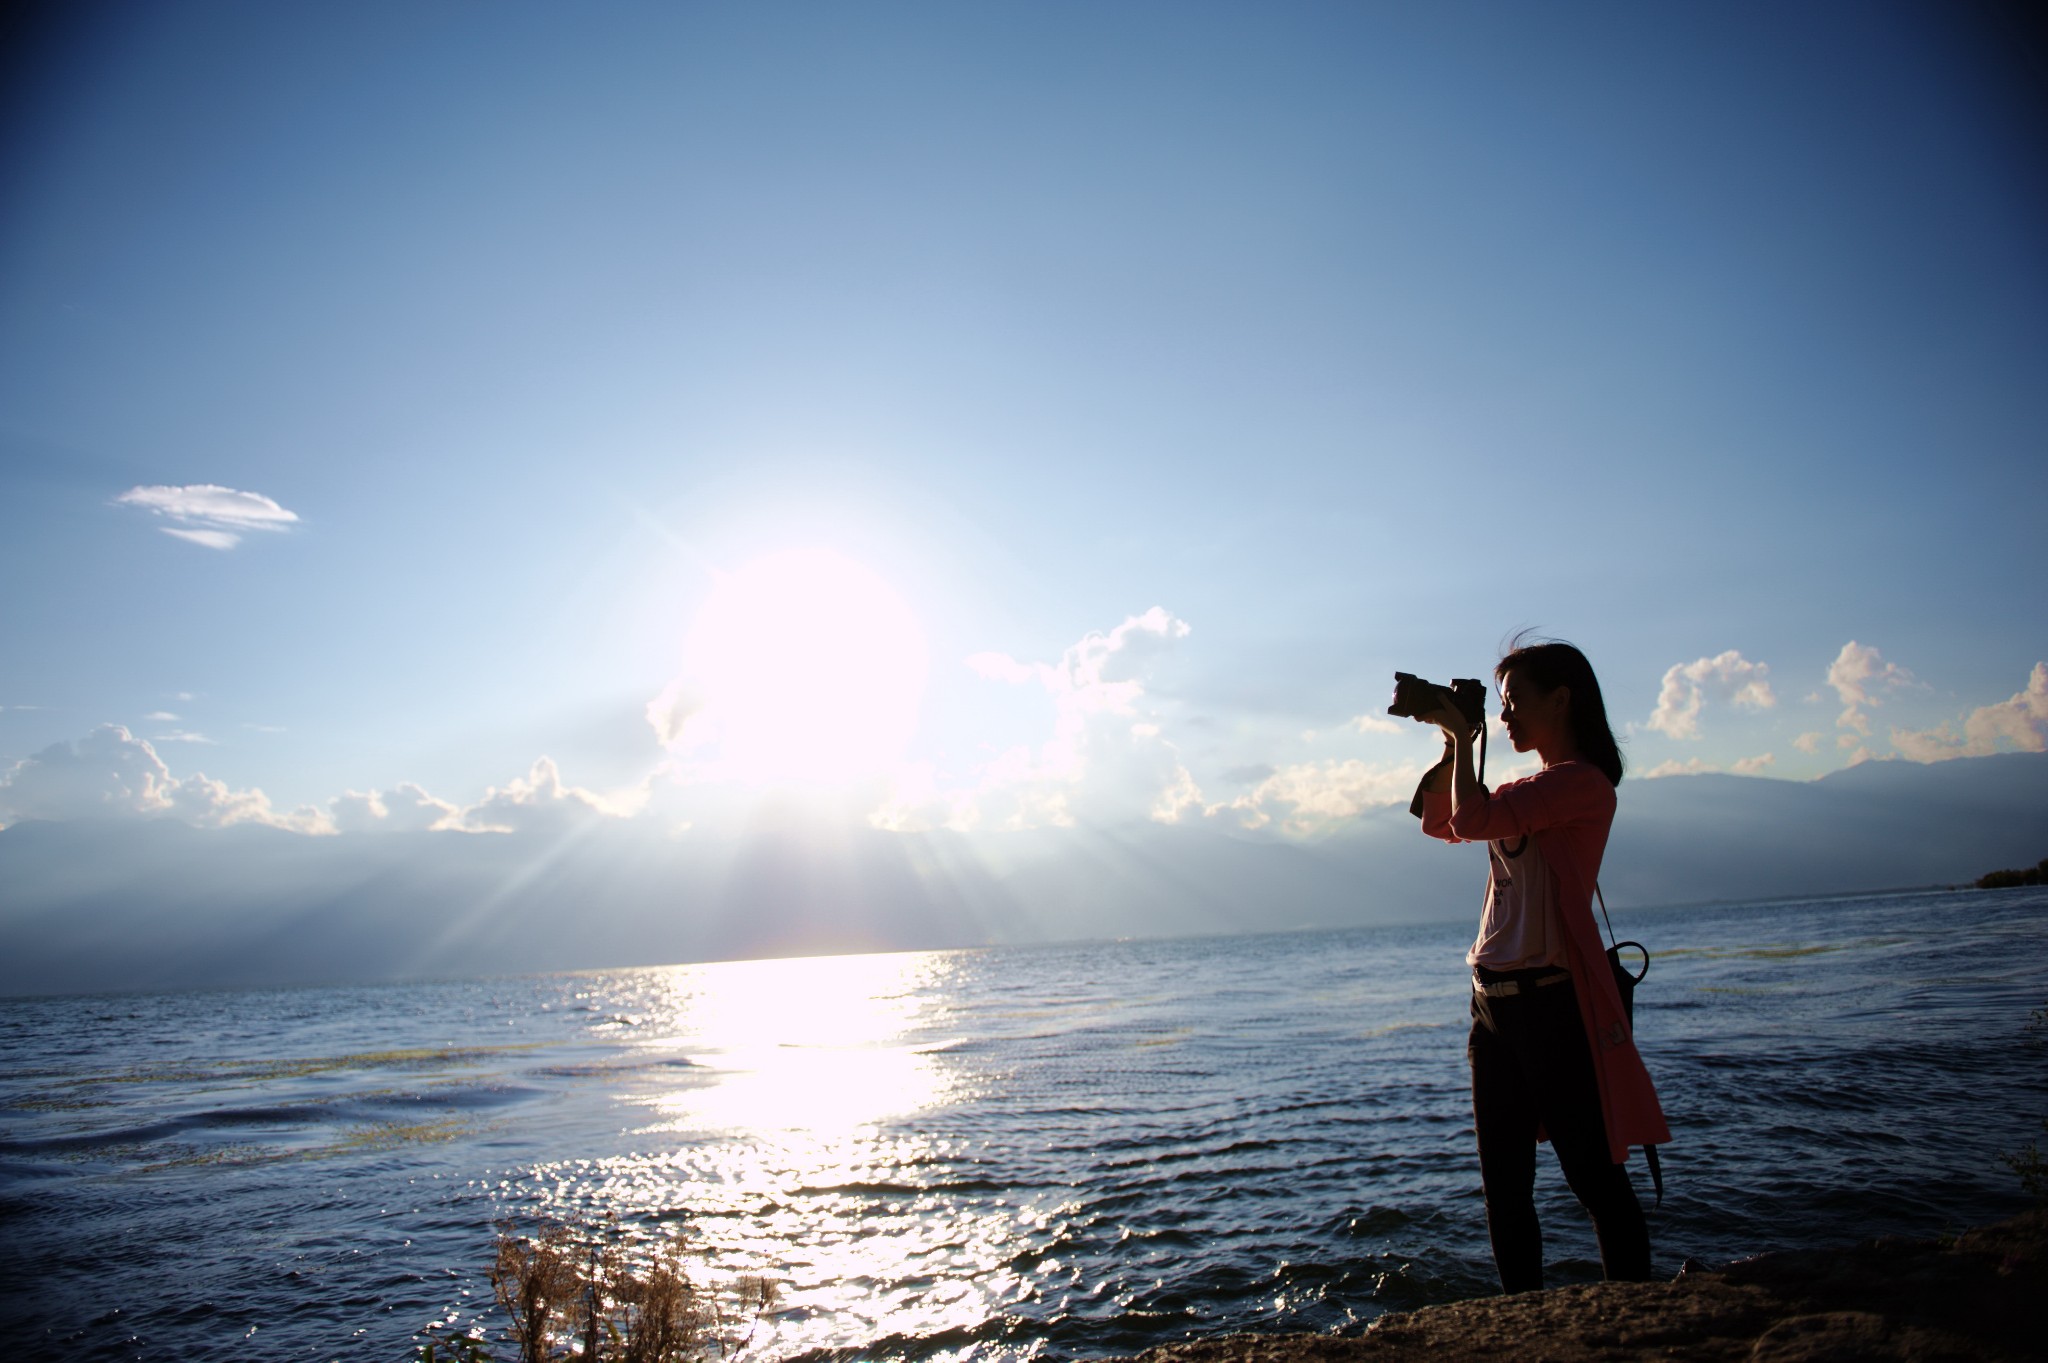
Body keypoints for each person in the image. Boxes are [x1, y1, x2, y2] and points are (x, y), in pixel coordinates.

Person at [1411, 637, 1669, 1293]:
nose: (1506, 718)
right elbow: (1440, 822)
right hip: (1492, 1002)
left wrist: (1464, 739)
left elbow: (1469, 818)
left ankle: (1635, 1310)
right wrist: (1453, 743)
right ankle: (1521, 1317)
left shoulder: (1583, 784)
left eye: (1514, 702)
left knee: (1593, 1176)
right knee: (1504, 1183)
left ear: (1562, 698)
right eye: (1498, 708)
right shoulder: (1526, 787)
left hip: (1552, 1003)